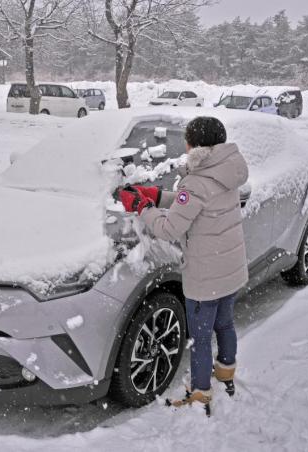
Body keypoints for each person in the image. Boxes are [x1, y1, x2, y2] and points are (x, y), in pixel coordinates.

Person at [119, 116, 249, 410]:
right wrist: (159, 196)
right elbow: (195, 205)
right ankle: (226, 372)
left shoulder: (196, 180)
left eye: (187, 140)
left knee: (201, 337)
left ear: (195, 145)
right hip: (229, 269)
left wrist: (142, 207)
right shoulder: (226, 171)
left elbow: (169, 229)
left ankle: (201, 392)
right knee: (225, 325)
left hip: (206, 277)